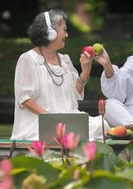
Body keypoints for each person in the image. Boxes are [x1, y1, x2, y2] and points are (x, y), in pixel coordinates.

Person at [10, 9, 109, 141]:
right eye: (64, 29)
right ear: (50, 32)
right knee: (71, 134)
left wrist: (85, 71)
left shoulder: (64, 60)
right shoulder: (28, 59)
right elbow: (25, 99)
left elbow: (75, 94)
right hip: (39, 124)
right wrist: (51, 119)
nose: (67, 34)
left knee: (101, 126)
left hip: (68, 121)